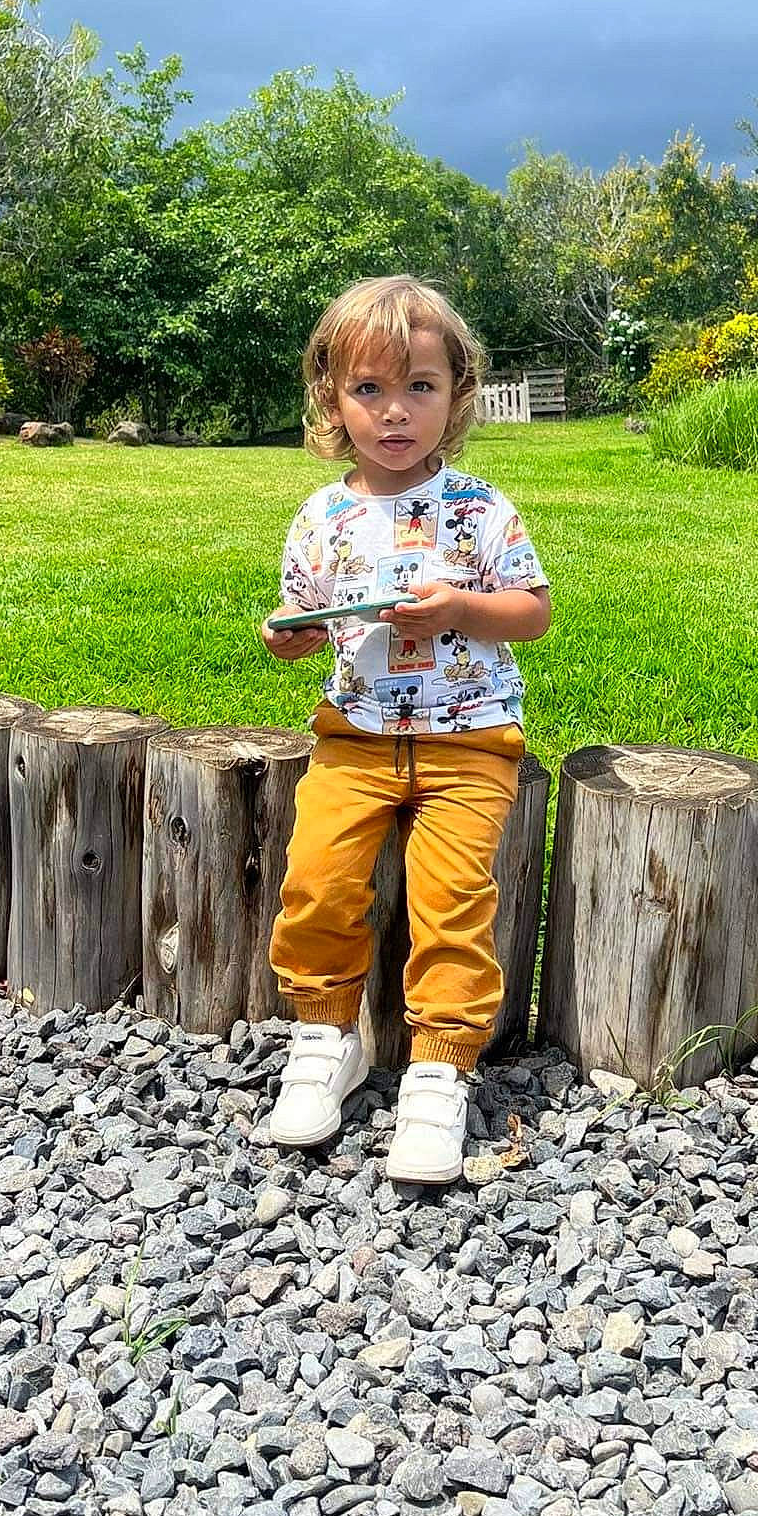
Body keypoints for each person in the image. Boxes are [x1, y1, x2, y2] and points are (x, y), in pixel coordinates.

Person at [260, 275, 552, 1184]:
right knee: (316, 882)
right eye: (369, 391)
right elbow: (300, 625)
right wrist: (288, 635)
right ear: (332, 399)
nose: (395, 413)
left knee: (453, 905)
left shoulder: (480, 508)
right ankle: (324, 1038)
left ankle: (438, 1069)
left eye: (420, 387)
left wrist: (462, 607)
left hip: (470, 744)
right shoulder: (322, 516)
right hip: (354, 736)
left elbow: (533, 613)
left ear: (457, 396)